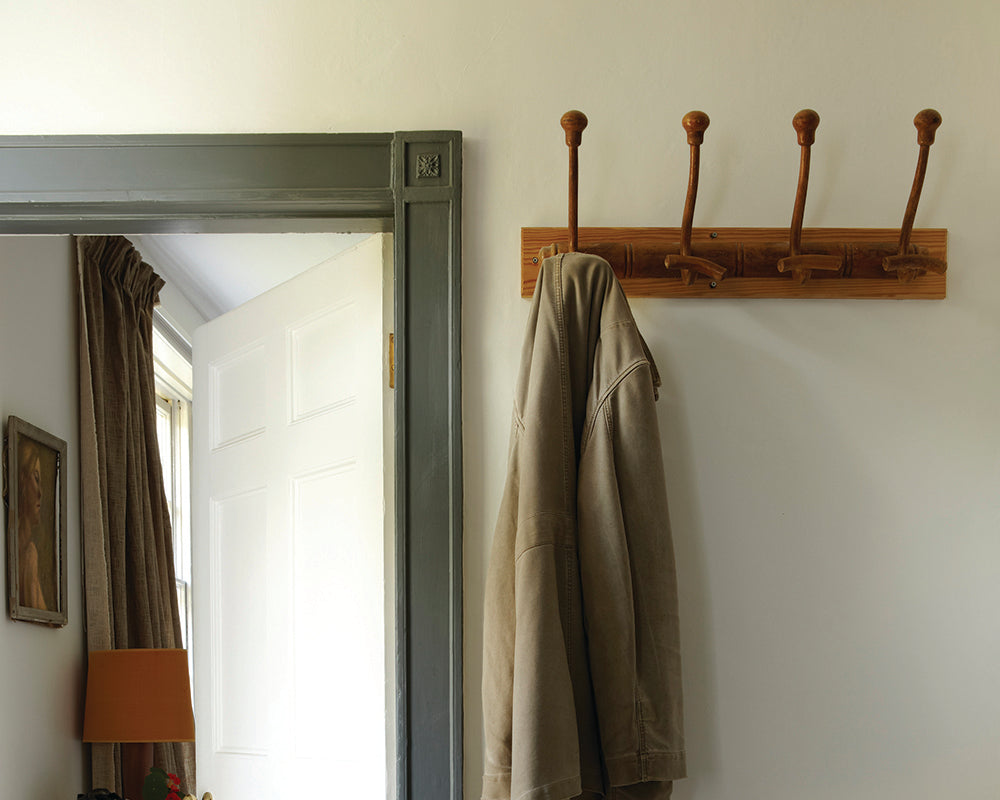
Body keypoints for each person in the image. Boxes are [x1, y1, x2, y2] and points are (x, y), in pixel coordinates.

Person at [17, 439, 48, 610]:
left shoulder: (29, 553)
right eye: (36, 479)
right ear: (22, 481)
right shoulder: (29, 555)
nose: (40, 492)